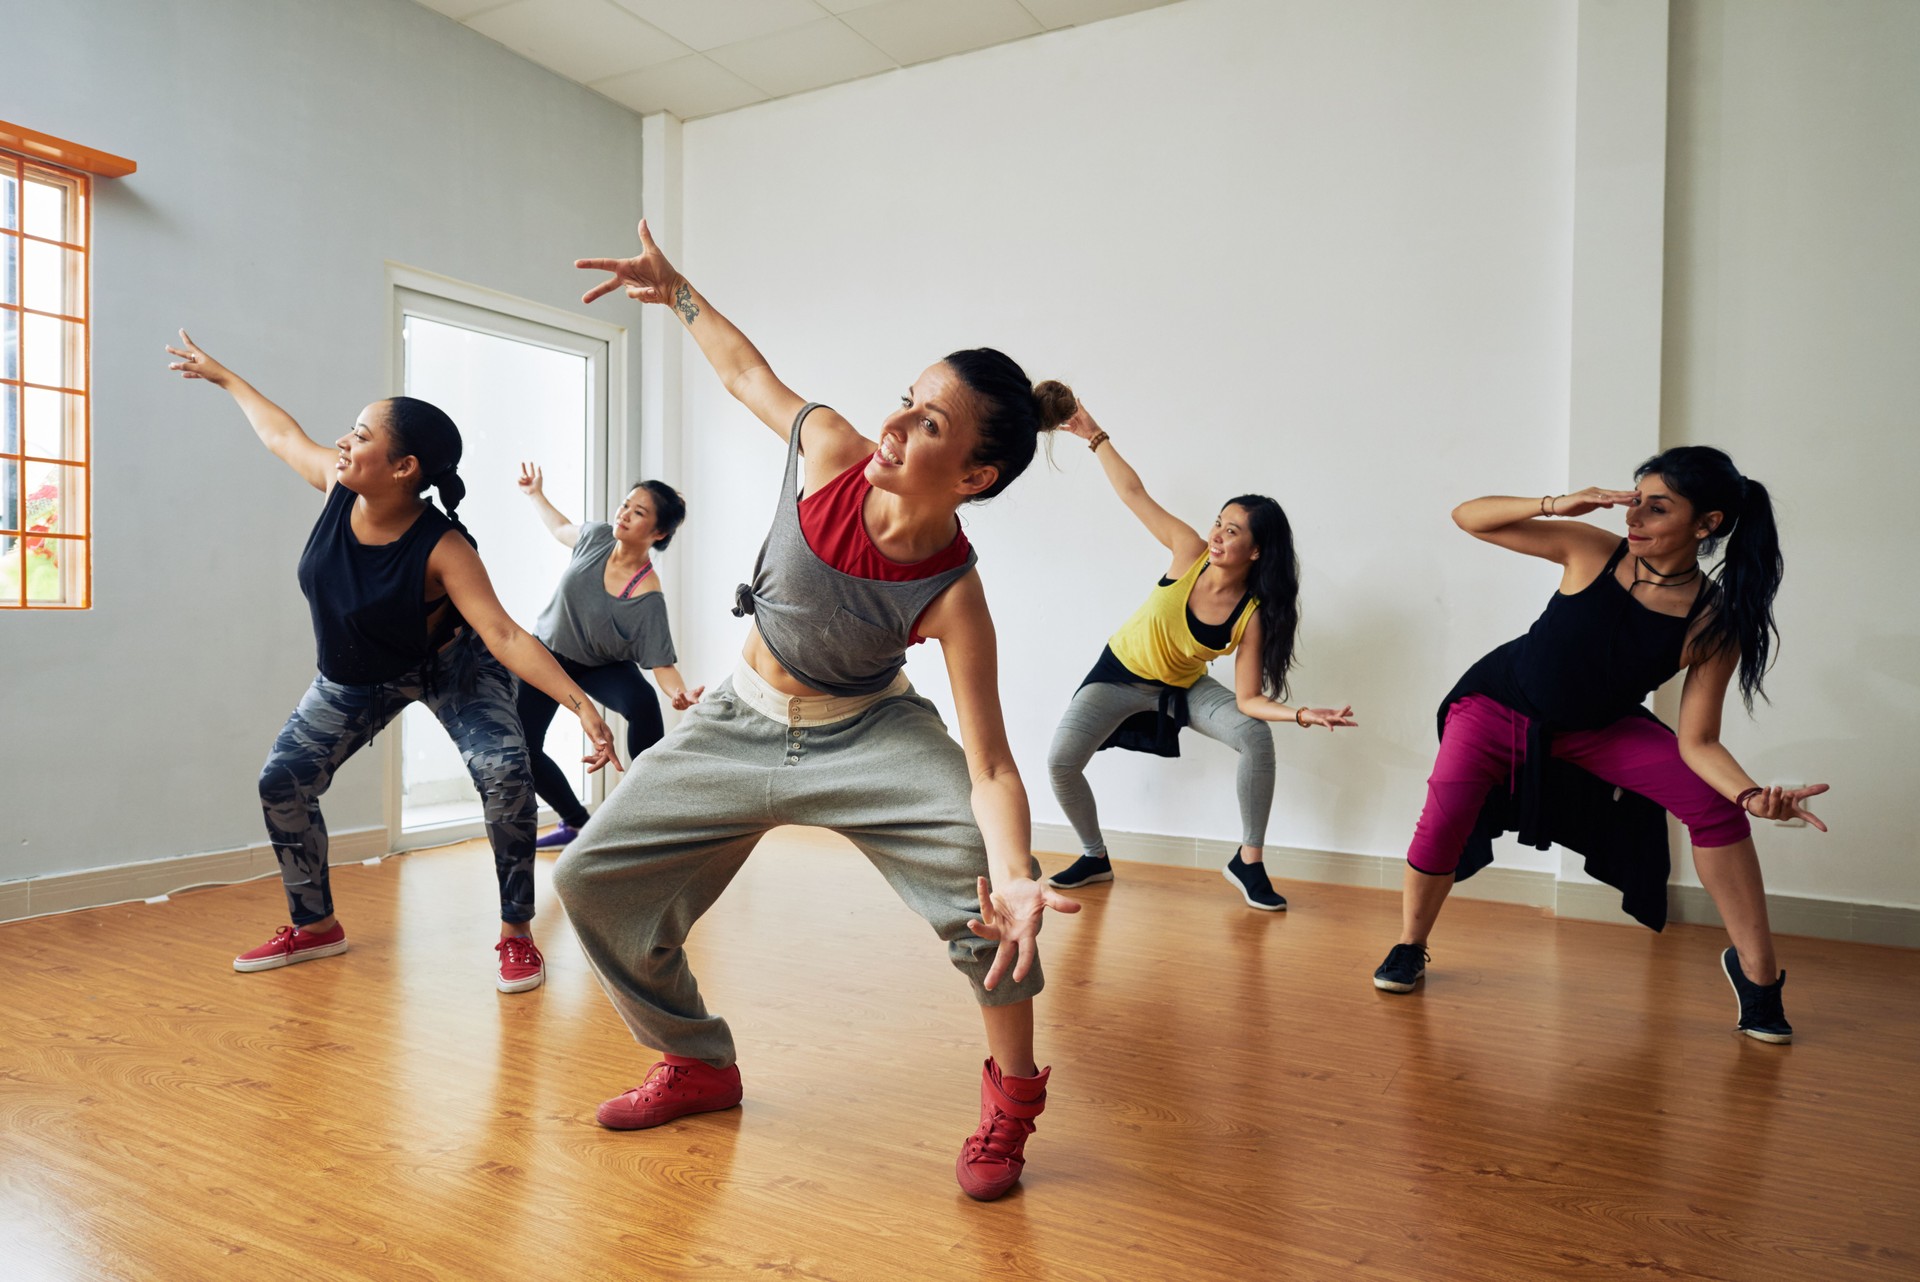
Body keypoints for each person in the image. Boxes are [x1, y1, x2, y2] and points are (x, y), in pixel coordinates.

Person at [553, 221, 1079, 1200]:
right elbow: (748, 376)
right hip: (741, 717)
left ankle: (1012, 1096)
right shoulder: (832, 450)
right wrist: (678, 294)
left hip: (869, 732)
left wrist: (1015, 869)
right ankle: (697, 1060)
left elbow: (993, 765)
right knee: (589, 876)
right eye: (907, 401)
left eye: (929, 424)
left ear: (973, 477)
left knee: (993, 910)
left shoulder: (954, 590)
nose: (896, 425)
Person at [166, 331, 619, 994]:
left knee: (506, 772)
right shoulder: (338, 489)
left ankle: (516, 934)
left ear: (404, 467)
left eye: (359, 434)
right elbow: (282, 436)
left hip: (452, 667)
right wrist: (225, 377)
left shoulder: (443, 546)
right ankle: (315, 925)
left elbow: (502, 632)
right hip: (357, 676)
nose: (343, 443)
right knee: (282, 781)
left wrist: (581, 704)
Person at [1372, 448, 1828, 1044]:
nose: (1634, 518)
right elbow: (1468, 516)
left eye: (1656, 508)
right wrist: (1557, 504)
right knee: (1446, 816)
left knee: (1714, 806)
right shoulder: (1591, 550)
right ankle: (1410, 944)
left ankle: (1758, 977)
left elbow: (1699, 740)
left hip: (1600, 728)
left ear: (1707, 524)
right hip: (1494, 708)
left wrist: (1748, 796)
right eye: (1635, 501)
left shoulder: (1714, 623)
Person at [1043, 403, 1356, 909]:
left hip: (1181, 688)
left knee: (1254, 736)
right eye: (1219, 522)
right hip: (1117, 675)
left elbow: (1250, 699)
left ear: (1256, 551)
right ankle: (1094, 857)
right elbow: (1133, 493)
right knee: (1060, 762)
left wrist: (1299, 713)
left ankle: (1247, 861)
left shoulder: (1251, 614)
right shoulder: (1187, 552)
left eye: (1233, 531)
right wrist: (1094, 435)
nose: (1217, 534)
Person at [514, 466, 703, 847]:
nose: (623, 514)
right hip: (547, 655)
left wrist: (678, 694)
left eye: (638, 512)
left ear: (658, 533)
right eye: (625, 505)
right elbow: (560, 528)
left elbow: (661, 663)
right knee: (523, 747)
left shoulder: (647, 593)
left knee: (643, 702)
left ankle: (650, 813)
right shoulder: (597, 537)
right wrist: (536, 494)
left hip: (600, 665)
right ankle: (576, 823)